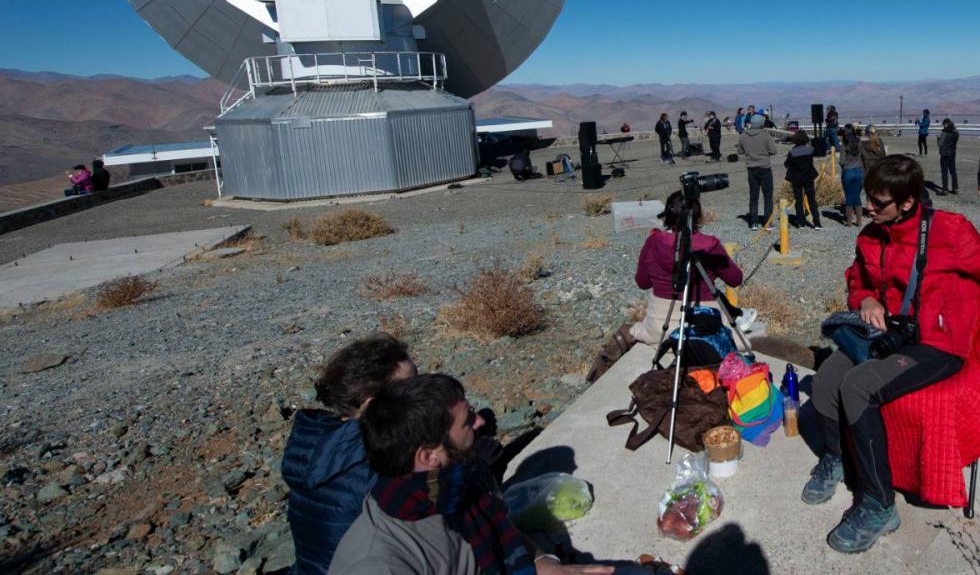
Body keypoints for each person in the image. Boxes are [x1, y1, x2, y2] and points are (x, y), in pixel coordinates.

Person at [803, 155, 980, 553]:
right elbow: (857, 277)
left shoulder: (948, 232)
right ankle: (836, 457)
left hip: (936, 345)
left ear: (907, 202)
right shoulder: (870, 236)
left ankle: (880, 504)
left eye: (878, 202)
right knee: (830, 377)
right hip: (886, 336)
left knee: (858, 386)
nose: (868, 207)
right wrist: (865, 298)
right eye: (868, 198)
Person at [328, 374, 611, 575]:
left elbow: (505, 534)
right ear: (429, 456)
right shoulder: (381, 561)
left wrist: (544, 565)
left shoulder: (456, 485)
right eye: (467, 422)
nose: (481, 421)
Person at [282, 334, 417, 575]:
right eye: (410, 387)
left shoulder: (317, 443)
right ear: (371, 404)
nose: (421, 394)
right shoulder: (375, 461)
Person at [627, 190, 744, 344]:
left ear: (668, 214)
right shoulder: (708, 245)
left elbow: (643, 283)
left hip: (659, 326)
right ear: (697, 215)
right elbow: (735, 279)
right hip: (703, 325)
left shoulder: (653, 241)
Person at [737, 113, 780, 229]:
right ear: (762, 123)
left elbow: (740, 151)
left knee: (753, 196)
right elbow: (774, 151)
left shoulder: (743, 135)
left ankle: (753, 222)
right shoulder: (765, 135)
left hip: (751, 169)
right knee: (767, 197)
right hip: (765, 168)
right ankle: (768, 222)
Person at [784, 131, 824, 228]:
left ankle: (801, 222)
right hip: (808, 177)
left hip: (796, 178)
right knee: (812, 200)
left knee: (799, 200)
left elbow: (787, 164)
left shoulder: (792, 152)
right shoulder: (810, 149)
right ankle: (817, 223)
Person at [840, 125, 866, 226]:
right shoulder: (859, 142)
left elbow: (842, 161)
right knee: (857, 196)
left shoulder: (844, 144)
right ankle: (859, 221)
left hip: (848, 171)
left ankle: (849, 222)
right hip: (859, 171)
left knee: (849, 197)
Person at [936, 118, 959, 194]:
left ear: (946, 124)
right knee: (953, 171)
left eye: (944, 124)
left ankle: (945, 190)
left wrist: (938, 138)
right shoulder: (956, 132)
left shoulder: (944, 132)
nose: (943, 126)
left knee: (944, 172)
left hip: (945, 154)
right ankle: (955, 189)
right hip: (952, 153)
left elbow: (940, 144)